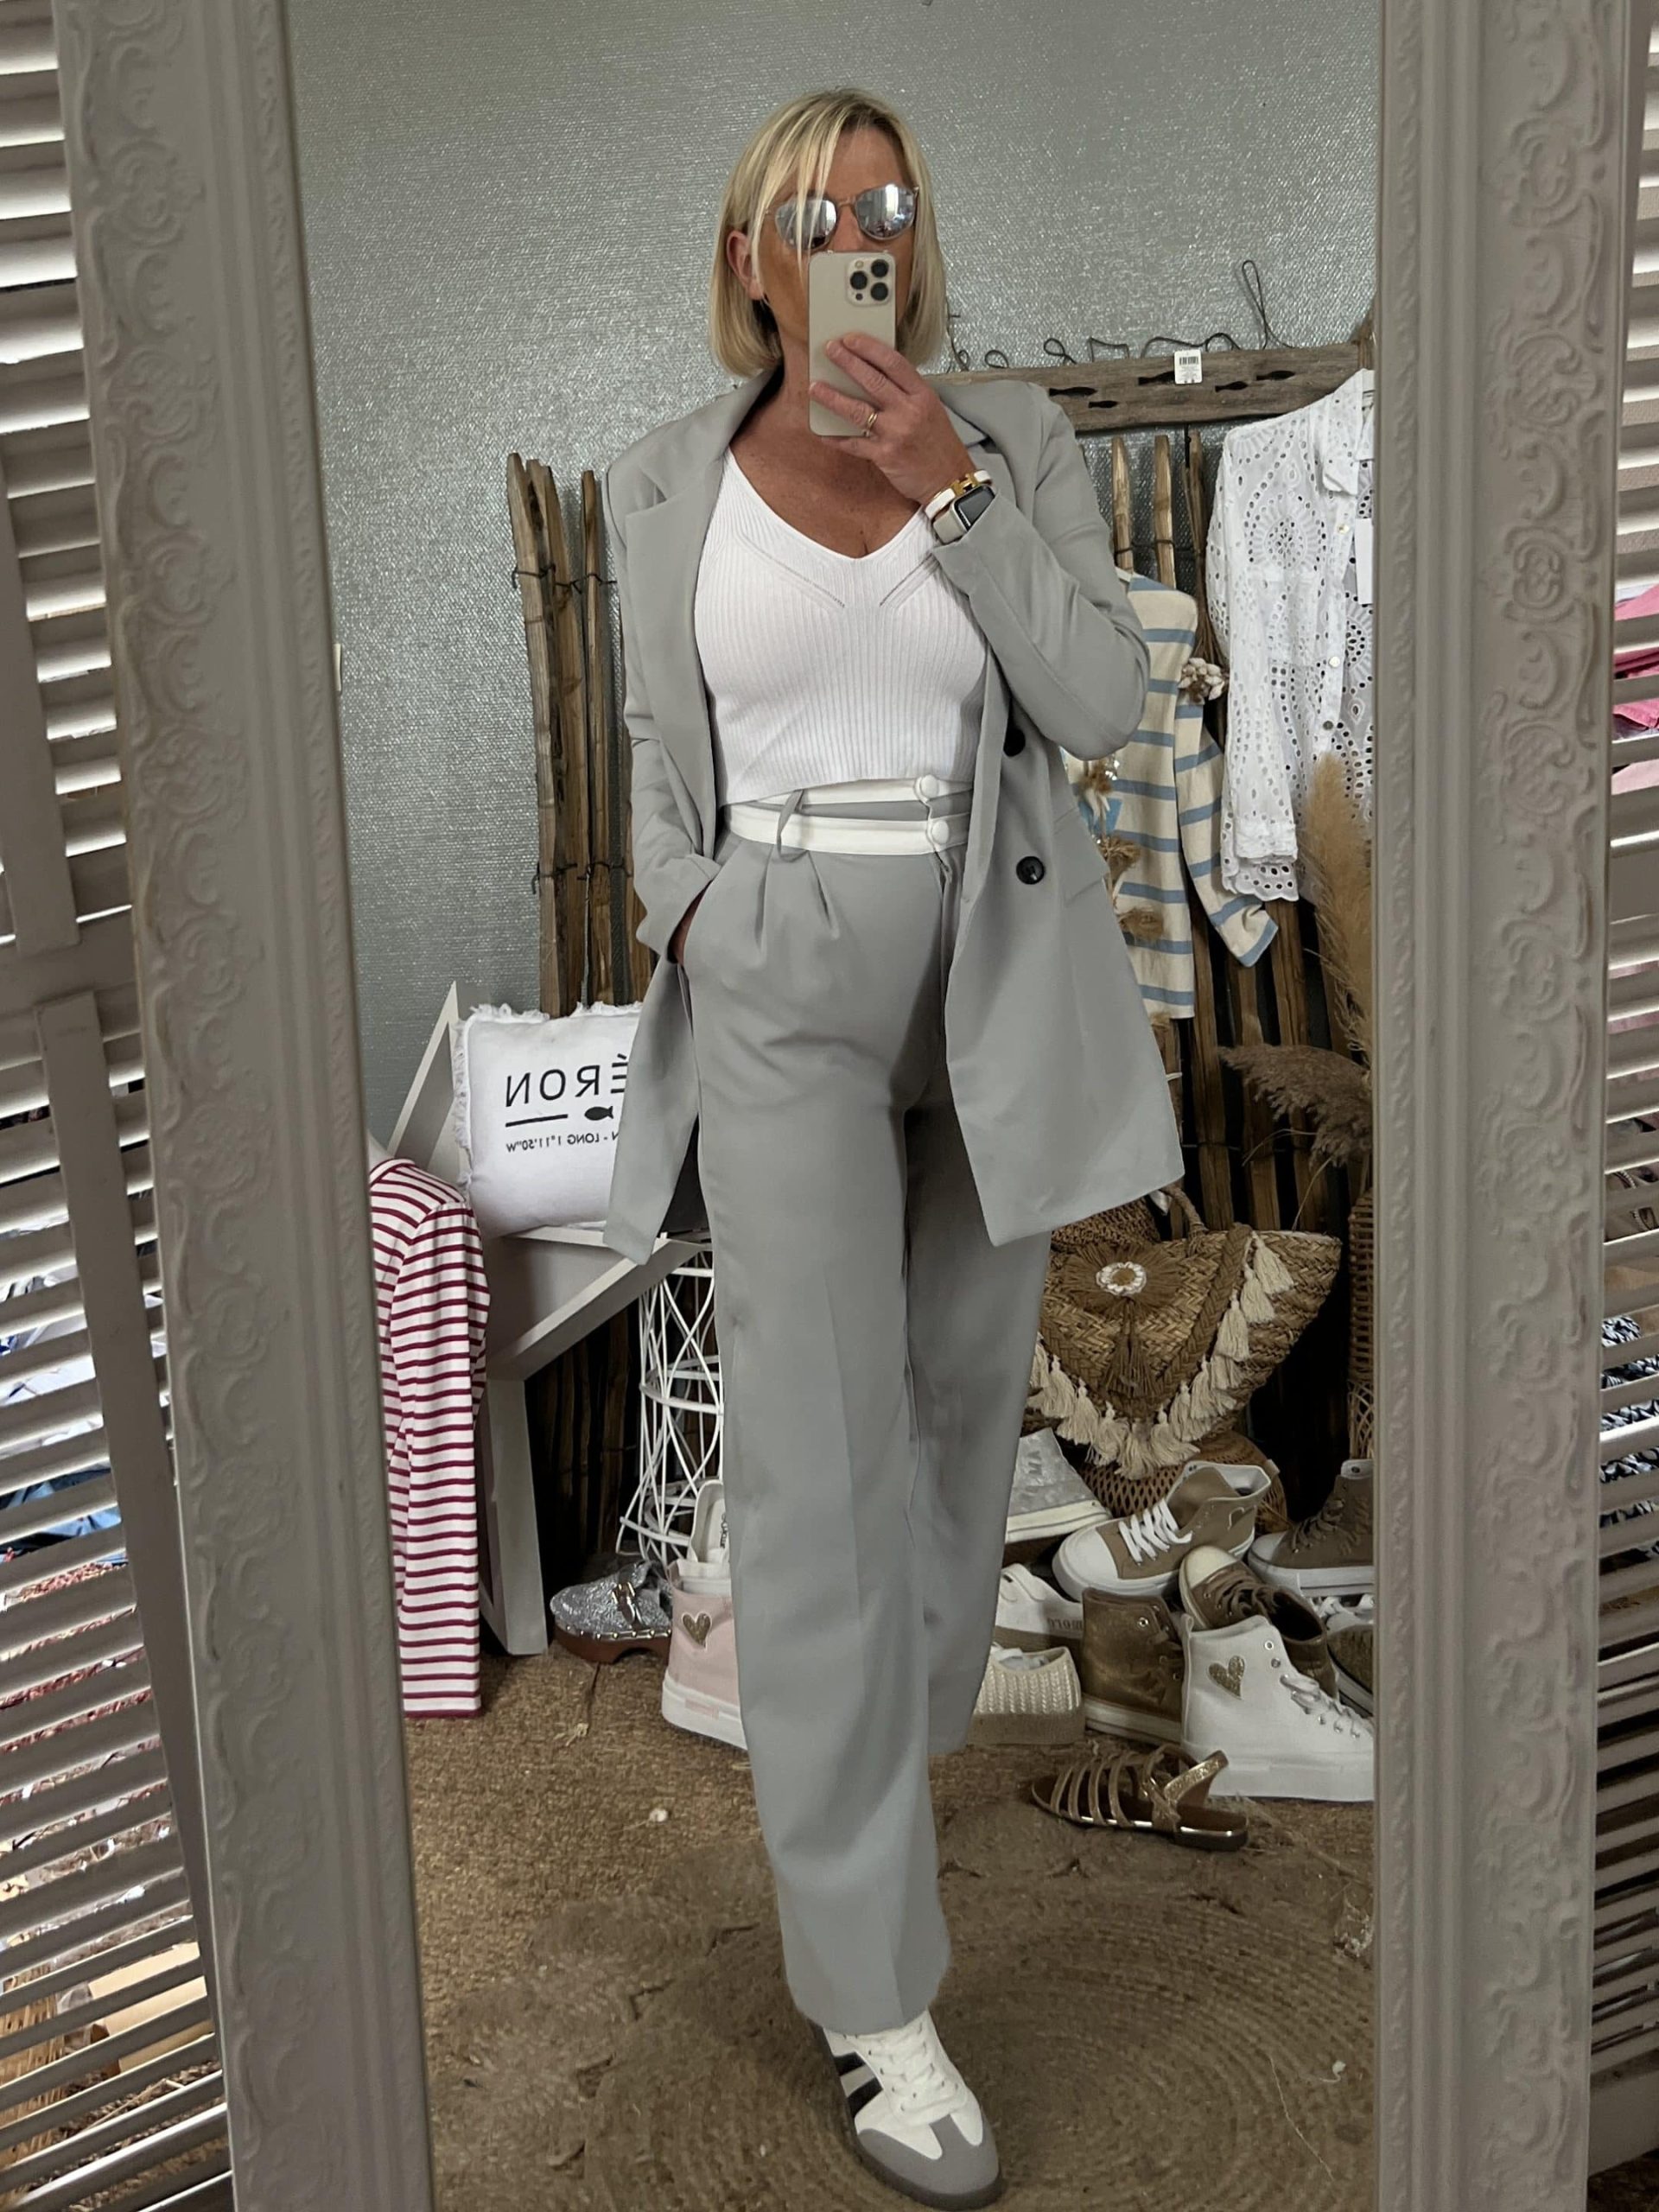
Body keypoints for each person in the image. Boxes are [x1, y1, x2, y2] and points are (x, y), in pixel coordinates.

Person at [600, 86, 1183, 2208]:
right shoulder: (667, 477)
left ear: (914, 240)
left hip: (987, 963)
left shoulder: (1009, 439)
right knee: (825, 1472)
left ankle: (862, 1750)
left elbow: (1106, 702)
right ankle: (873, 1987)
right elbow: (655, 760)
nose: (857, 230)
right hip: (779, 974)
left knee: (953, 1425)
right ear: (749, 253)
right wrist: (700, 914)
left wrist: (953, 489)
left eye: (889, 201)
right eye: (811, 208)